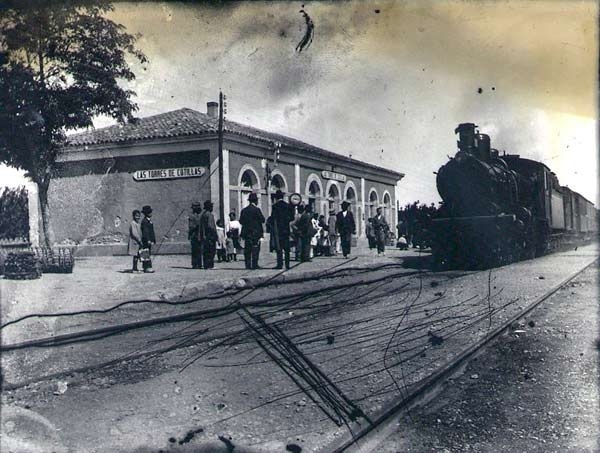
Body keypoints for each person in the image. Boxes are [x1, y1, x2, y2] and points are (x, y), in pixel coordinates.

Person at [239, 192, 265, 270]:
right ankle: (254, 264)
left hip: (247, 233)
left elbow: (241, 221)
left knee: (247, 250)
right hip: (255, 233)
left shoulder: (244, 210)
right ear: (255, 201)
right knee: (255, 249)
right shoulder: (257, 210)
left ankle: (248, 265)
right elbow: (262, 220)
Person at [270, 190, 294, 269]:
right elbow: (292, 217)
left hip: (278, 230)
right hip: (286, 229)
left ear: (276, 197)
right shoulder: (287, 206)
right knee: (287, 248)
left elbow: (272, 218)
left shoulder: (275, 206)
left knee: (279, 247)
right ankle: (287, 265)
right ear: (282, 197)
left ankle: (280, 264)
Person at [199, 200, 218, 269]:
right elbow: (211, 226)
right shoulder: (209, 215)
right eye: (211, 206)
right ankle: (210, 265)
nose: (212, 208)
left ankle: (206, 265)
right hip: (210, 236)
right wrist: (215, 235)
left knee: (206, 251)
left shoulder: (203, 215)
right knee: (211, 251)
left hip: (205, 236)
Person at [140, 205, 156, 273]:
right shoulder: (145, 221)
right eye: (149, 212)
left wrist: (153, 240)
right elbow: (145, 232)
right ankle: (147, 267)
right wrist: (148, 240)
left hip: (148, 240)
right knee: (146, 253)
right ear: (146, 213)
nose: (151, 213)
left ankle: (147, 266)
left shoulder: (148, 221)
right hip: (146, 240)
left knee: (147, 253)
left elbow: (152, 232)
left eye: (150, 212)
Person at [188, 201, 203, 269]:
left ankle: (199, 264)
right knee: (195, 250)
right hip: (194, 235)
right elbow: (191, 227)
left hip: (200, 234)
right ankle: (195, 264)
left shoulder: (201, 215)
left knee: (199, 250)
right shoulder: (192, 216)